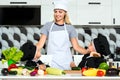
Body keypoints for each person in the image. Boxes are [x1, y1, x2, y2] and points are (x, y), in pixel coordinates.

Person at [35, 0, 91, 70]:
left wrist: (88, 52)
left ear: (65, 13)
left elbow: (76, 47)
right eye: (56, 12)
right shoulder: (48, 26)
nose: (57, 14)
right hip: (52, 62)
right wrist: (32, 51)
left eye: (60, 12)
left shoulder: (70, 28)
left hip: (66, 62)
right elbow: (40, 44)